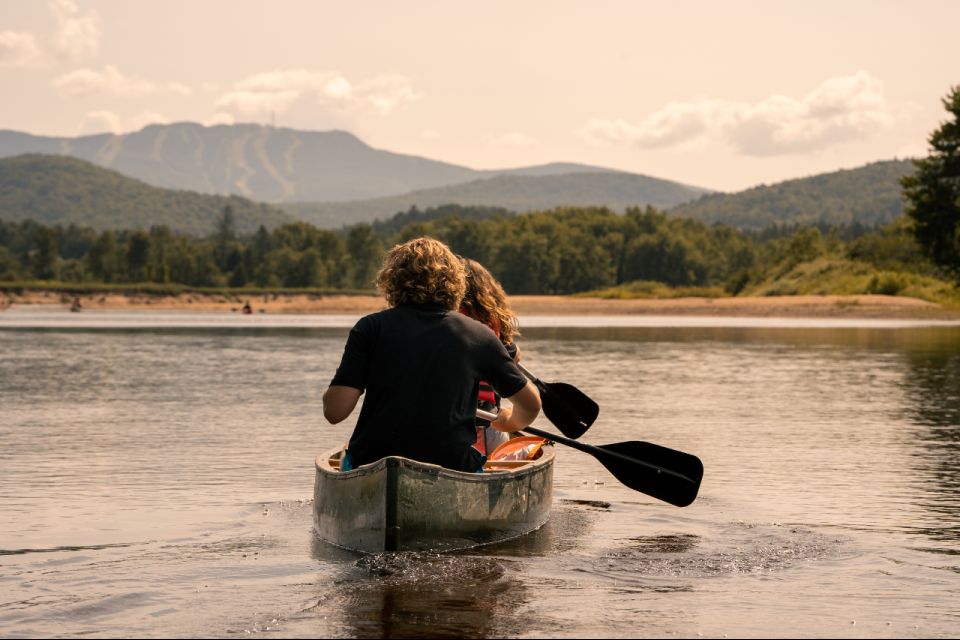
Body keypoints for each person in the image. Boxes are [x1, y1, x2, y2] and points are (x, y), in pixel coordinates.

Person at [322, 237, 541, 472]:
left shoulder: (369, 328)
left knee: (349, 452)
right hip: (454, 464)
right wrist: (509, 421)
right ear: (456, 283)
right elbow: (531, 405)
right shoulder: (480, 335)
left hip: (374, 460)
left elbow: (335, 412)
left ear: (391, 280)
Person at [458, 257, 522, 457]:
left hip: (449, 426)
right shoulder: (493, 322)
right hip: (489, 425)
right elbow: (513, 355)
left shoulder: (445, 320)